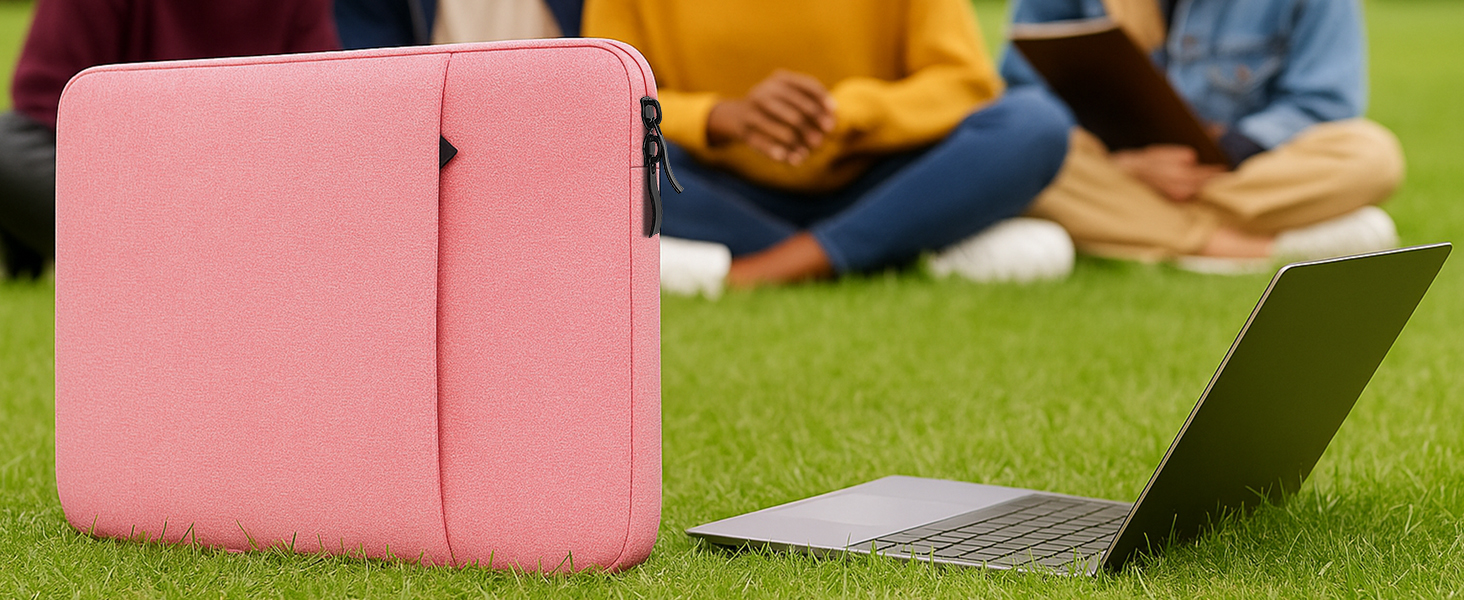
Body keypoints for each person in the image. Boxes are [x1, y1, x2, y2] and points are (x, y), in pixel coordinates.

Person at [584, 0, 1077, 295]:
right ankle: (888, 248)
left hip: (877, 176)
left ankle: (762, 269)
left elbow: (965, 83)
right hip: (719, 187)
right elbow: (608, 94)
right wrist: (717, 116)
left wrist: (845, 113)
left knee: (1035, 123)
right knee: (593, 158)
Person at [1003, 0, 1404, 273]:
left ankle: (1132, 227)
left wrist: (1228, 151)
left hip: (1246, 173)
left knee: (1372, 153)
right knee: (1017, 152)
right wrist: (1126, 164)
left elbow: (1324, 103)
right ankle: (1232, 246)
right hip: (1113, 164)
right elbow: (1024, 95)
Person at [0, 0, 339, 280]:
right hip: (126, 184)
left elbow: (325, 119)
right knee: (9, 146)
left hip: (246, 192)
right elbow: (44, 104)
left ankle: (167, 261)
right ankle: (204, 260)